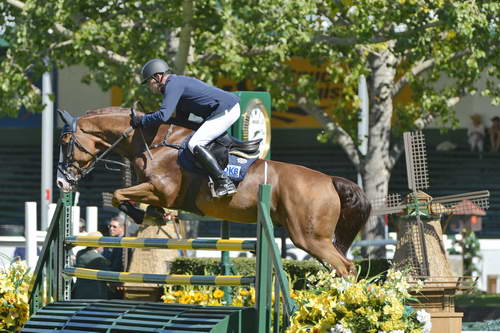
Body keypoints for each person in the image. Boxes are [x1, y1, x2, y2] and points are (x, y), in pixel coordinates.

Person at [132, 58, 241, 198]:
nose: (149, 86)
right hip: (223, 110)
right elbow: (180, 120)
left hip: (227, 110)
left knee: (194, 143)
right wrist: (149, 119)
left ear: (158, 77)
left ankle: (224, 182)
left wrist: (142, 120)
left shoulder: (173, 85)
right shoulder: (175, 84)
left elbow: (163, 116)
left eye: (148, 82)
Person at [72, 231, 110, 299]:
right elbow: (108, 277)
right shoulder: (98, 258)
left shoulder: (80, 253)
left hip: (79, 293)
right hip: (95, 295)